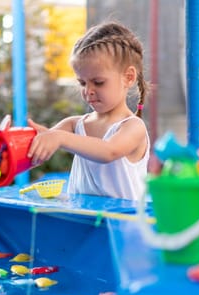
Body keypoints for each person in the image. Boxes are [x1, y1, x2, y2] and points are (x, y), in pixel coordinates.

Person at [27, 21, 150, 200]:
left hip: (122, 225)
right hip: (84, 222)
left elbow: (109, 151)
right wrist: (0, 161)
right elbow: (34, 153)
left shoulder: (133, 127)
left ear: (128, 77)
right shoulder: (73, 125)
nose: (88, 90)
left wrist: (58, 138)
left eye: (98, 82)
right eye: (82, 82)